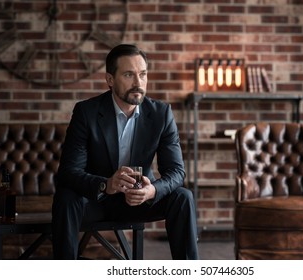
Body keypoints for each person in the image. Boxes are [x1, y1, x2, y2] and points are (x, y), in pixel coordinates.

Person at [52, 44, 199, 260]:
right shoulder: (87, 112)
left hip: (139, 200)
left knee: (183, 197)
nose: (138, 83)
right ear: (110, 79)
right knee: (66, 197)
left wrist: (152, 191)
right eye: (129, 74)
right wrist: (106, 184)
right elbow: (69, 171)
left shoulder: (161, 113)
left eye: (143, 74)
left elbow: (177, 172)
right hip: (98, 201)